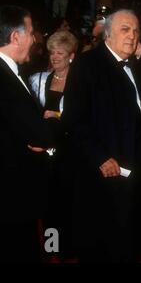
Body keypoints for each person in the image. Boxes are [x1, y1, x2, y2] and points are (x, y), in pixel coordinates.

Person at [62, 9, 141, 262]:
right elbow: (74, 119)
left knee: (128, 244)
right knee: (102, 247)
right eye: (125, 29)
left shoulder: (138, 67)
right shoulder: (87, 64)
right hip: (102, 173)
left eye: (136, 31)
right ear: (107, 34)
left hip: (133, 173)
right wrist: (100, 157)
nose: (132, 36)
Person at [0, 5, 55, 262]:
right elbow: (38, 136)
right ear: (15, 37)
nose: (34, 39)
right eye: (31, 33)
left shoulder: (12, 73)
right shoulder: (5, 77)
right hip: (13, 195)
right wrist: (54, 126)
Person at [29, 30, 78, 259]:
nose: (55, 57)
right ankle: (52, 249)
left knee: (70, 203)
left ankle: (70, 249)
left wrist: (58, 117)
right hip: (45, 154)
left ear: (71, 56)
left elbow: (82, 119)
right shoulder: (39, 80)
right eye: (51, 52)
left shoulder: (80, 84)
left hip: (71, 152)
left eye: (60, 52)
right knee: (48, 205)